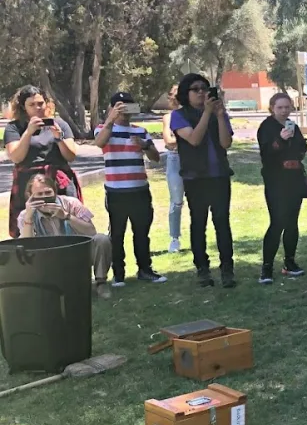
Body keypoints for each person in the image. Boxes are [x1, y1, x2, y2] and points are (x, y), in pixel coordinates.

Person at [92, 92, 166, 286]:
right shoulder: (103, 129)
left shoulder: (140, 131)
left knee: (142, 232)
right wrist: (111, 119)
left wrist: (145, 145)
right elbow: (99, 142)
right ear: (111, 108)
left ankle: (145, 270)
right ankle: (118, 274)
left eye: (128, 106)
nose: (124, 110)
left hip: (140, 190)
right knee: (117, 233)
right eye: (119, 106)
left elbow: (156, 158)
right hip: (116, 192)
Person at [169, 74, 236, 288]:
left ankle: (227, 268)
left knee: (222, 222)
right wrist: (207, 113)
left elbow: (226, 143)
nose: (200, 93)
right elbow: (194, 139)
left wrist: (220, 115)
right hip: (195, 178)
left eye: (204, 89)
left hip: (219, 175)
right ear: (185, 94)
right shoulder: (179, 116)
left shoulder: (218, 114)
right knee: (199, 223)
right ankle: (202, 269)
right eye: (195, 89)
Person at [17, 173, 113, 299]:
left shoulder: (72, 203)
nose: (44, 197)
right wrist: (29, 218)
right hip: (48, 259)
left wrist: (66, 216)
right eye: (39, 194)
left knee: (102, 239)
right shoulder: (25, 216)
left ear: (55, 191)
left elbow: (91, 231)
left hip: (77, 253)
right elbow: (26, 246)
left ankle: (101, 283)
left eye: (48, 193)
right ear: (30, 197)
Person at [5, 86, 82, 239]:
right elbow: (16, 157)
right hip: (28, 184)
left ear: (47, 103)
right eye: (31, 105)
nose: (37, 108)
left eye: (40, 103)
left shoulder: (59, 124)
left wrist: (59, 138)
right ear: (23, 107)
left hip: (59, 182)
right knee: (29, 226)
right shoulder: (14, 127)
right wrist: (28, 132)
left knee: (66, 225)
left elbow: (71, 156)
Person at [257, 92, 307, 284]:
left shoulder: (293, 126)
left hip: (294, 179)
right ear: (272, 108)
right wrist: (279, 140)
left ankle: (290, 262)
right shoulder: (266, 127)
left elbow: (301, 148)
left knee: (292, 222)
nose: (284, 110)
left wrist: (300, 148)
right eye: (280, 107)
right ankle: (267, 267)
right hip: (275, 181)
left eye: (287, 107)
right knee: (277, 222)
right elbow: (266, 153)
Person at [162, 84, 185, 253]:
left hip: (194, 160)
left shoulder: (194, 116)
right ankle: (174, 238)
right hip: (175, 159)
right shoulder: (169, 117)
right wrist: (189, 138)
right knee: (176, 201)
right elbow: (168, 142)